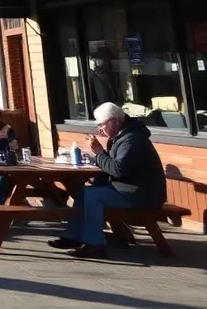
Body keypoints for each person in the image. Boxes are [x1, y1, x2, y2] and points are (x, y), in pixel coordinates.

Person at [48, 102, 165, 259]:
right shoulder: (121, 137)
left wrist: (99, 153)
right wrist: (98, 162)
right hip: (129, 188)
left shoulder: (132, 139)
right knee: (83, 193)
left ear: (114, 121)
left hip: (142, 194)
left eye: (101, 125)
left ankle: (95, 245)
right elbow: (114, 167)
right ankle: (74, 236)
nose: (99, 130)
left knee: (92, 196)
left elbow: (118, 170)